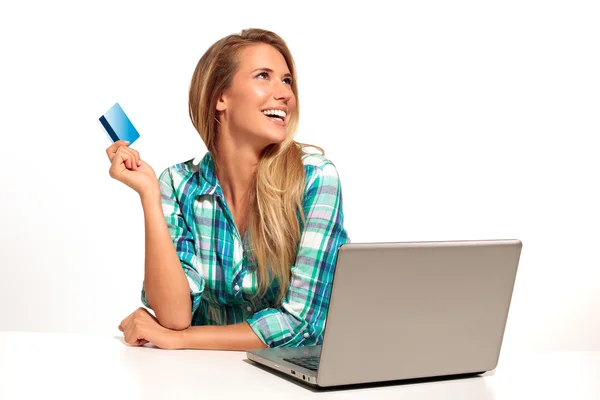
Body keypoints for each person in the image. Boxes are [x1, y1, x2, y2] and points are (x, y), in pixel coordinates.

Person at [106, 28, 350, 351]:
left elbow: (301, 324)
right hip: (205, 381)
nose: (285, 94)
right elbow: (174, 315)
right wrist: (149, 194)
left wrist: (182, 339)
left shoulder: (316, 179)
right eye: (264, 76)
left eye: (287, 81)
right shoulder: (178, 185)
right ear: (221, 98)